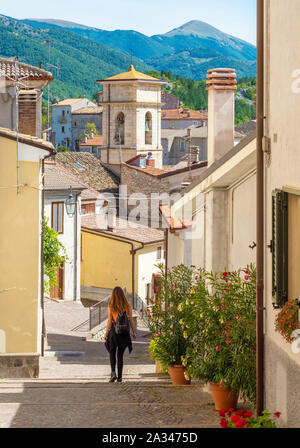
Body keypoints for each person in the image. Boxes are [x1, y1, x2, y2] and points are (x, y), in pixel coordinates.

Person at [104, 287, 136, 383]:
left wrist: (106, 334)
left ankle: (113, 373)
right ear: (123, 294)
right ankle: (120, 377)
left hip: (114, 332)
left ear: (113, 295)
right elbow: (130, 320)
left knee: (112, 352)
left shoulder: (111, 305)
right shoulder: (127, 305)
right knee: (120, 355)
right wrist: (133, 332)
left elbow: (110, 321)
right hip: (124, 333)